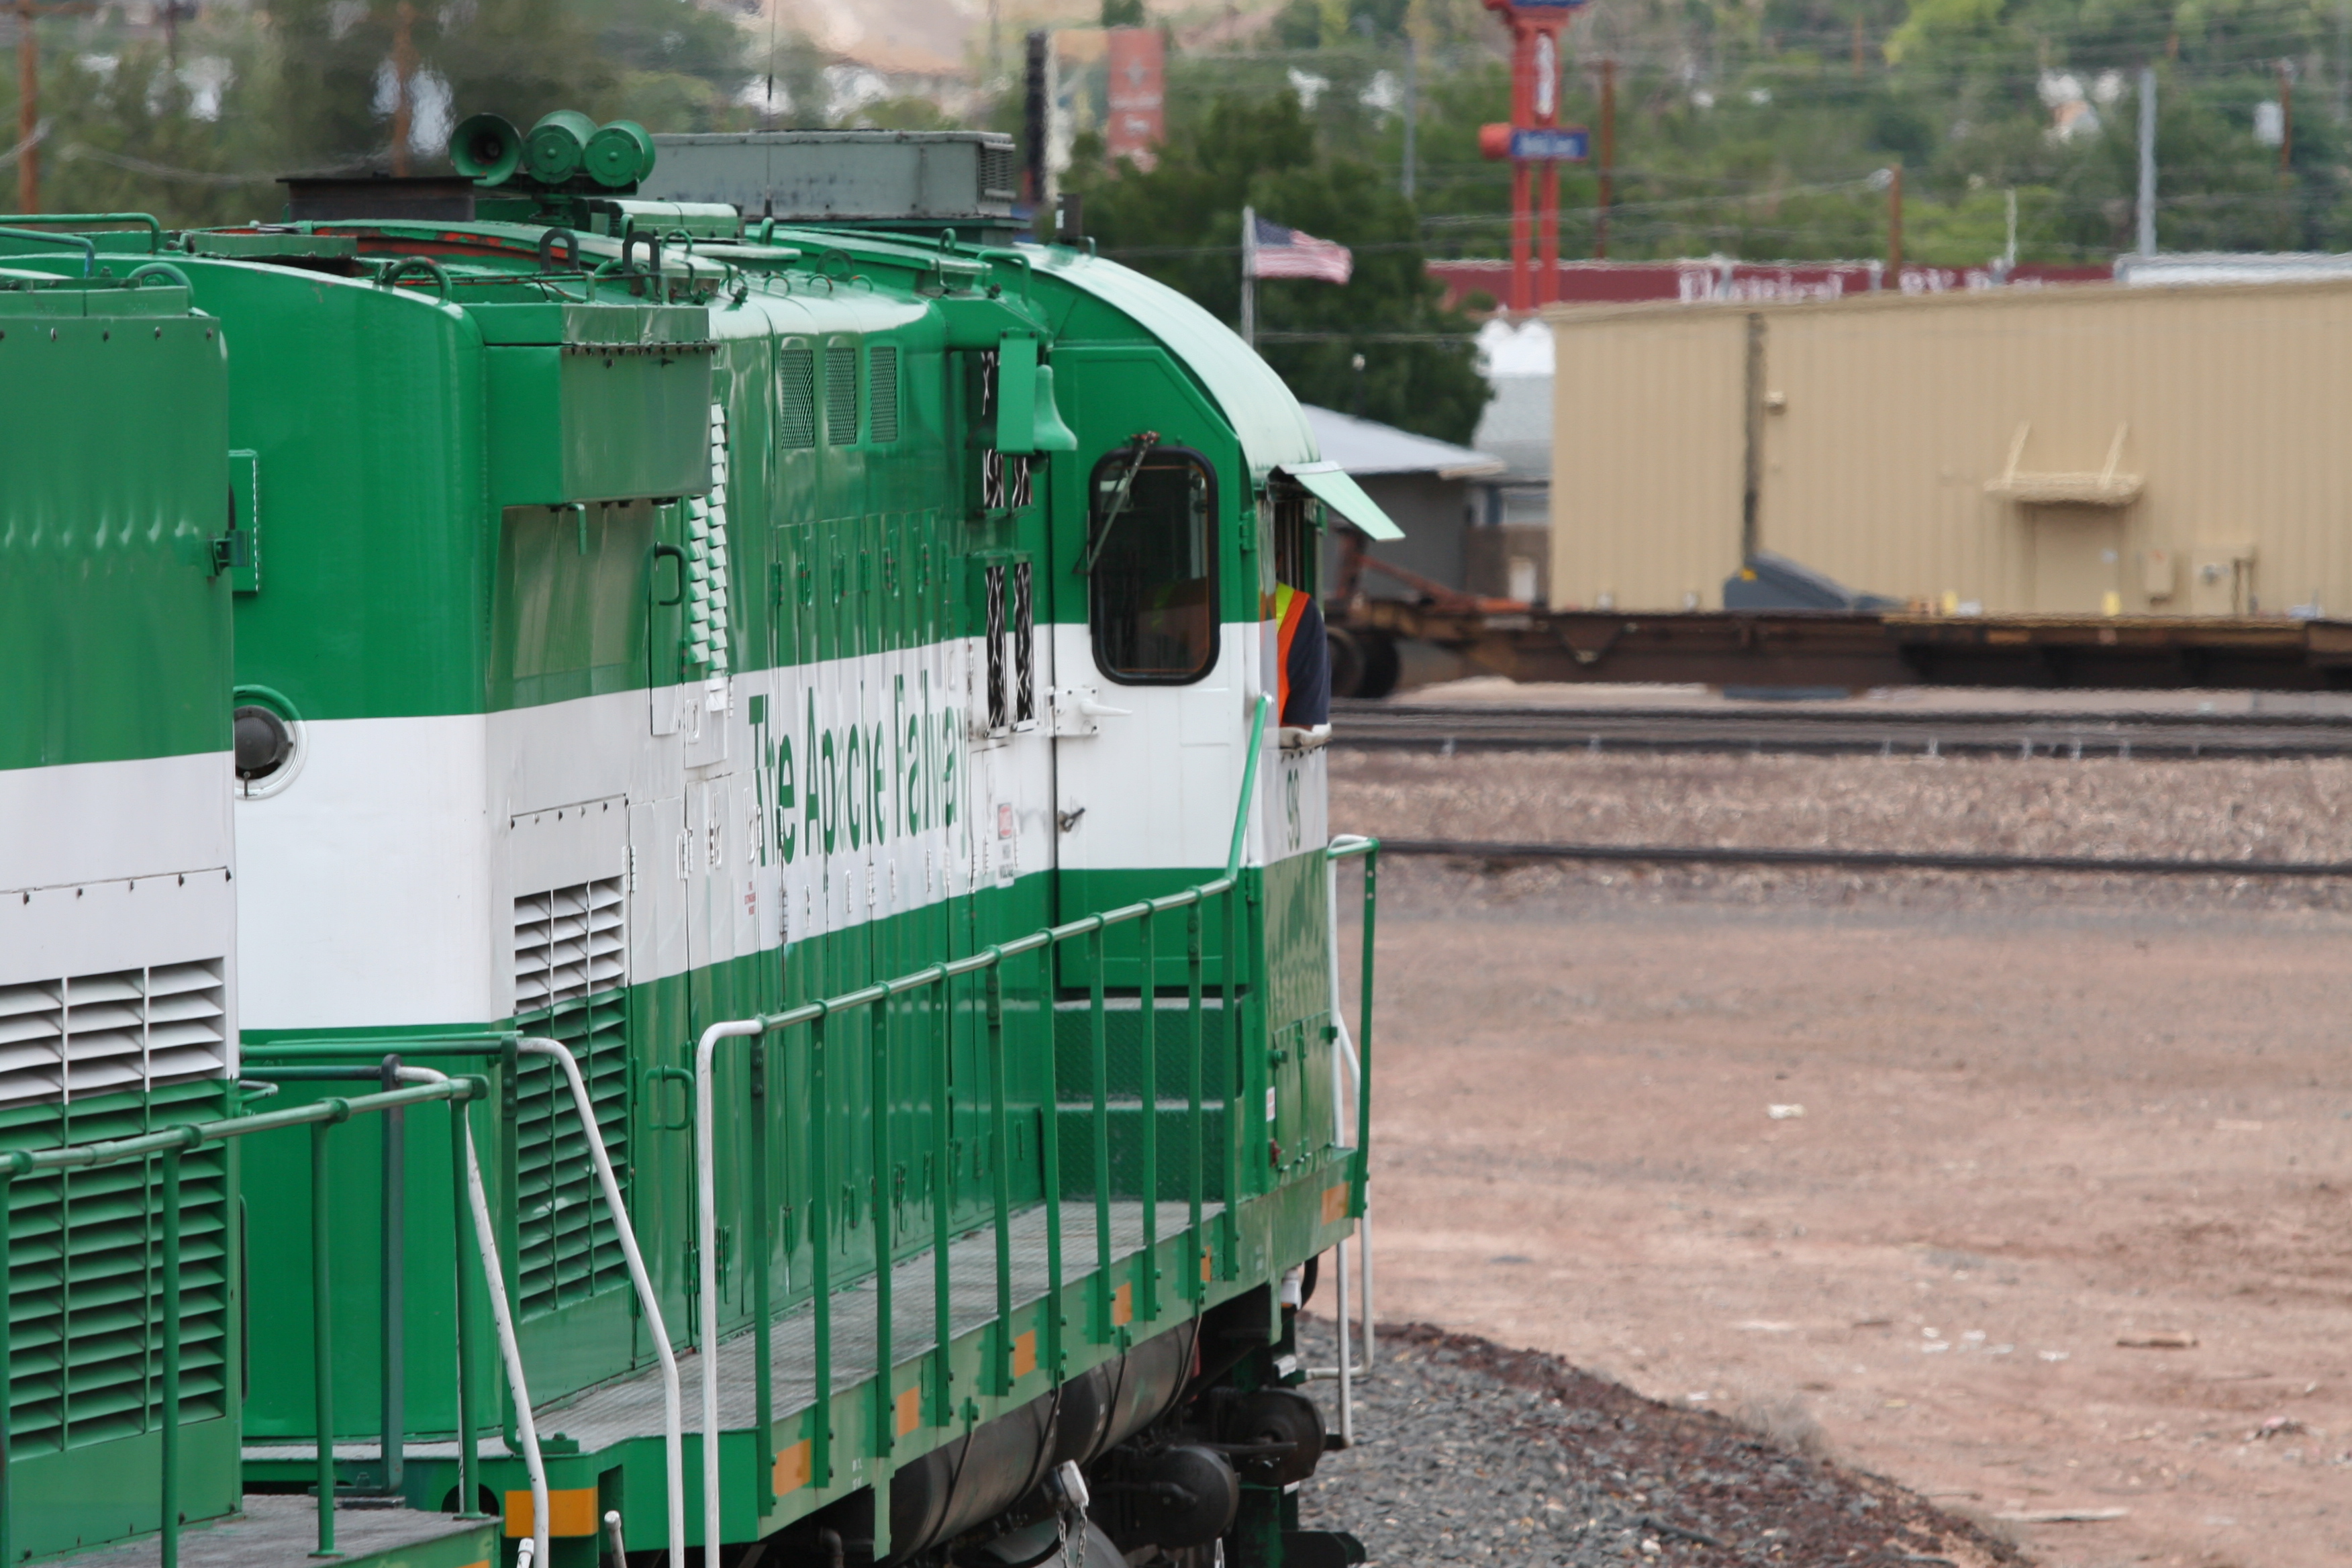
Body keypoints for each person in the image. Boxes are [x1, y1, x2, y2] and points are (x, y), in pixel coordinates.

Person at [1272, 579, 1330, 731]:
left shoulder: (1299, 610)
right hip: (1261, 742)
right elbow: (1301, 727)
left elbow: (1300, 726)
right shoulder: (1297, 608)